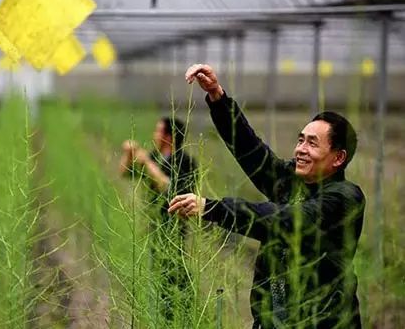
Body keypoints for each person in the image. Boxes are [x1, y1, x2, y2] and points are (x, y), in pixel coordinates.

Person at [168, 64, 365, 328]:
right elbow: (252, 153)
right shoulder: (292, 181)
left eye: (312, 143)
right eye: (300, 140)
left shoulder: (344, 199)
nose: (301, 150)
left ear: (338, 157)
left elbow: (284, 220)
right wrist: (218, 97)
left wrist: (213, 208)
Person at [119, 117, 197, 324]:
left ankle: (184, 315)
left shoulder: (185, 162)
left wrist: (147, 163)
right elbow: (125, 173)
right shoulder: (156, 156)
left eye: (158, 131)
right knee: (159, 271)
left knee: (176, 271)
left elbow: (169, 188)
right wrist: (129, 154)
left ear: (168, 137)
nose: (154, 135)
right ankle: (165, 315)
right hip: (155, 224)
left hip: (174, 226)